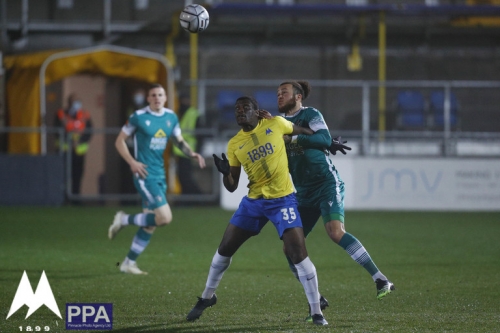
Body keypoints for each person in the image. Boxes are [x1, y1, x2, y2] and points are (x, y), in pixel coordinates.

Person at [186, 96, 328, 326]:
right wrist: (225, 173)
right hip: (254, 202)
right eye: (236, 109)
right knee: (225, 248)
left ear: (257, 111)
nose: (240, 112)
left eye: (245, 108)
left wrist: (326, 142)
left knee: (298, 252)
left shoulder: (276, 124)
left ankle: (316, 311)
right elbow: (232, 186)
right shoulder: (234, 144)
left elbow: (305, 131)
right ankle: (206, 297)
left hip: (283, 199)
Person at [275, 80, 395, 319]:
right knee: (290, 248)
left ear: (298, 97)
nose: (279, 96)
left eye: (284, 93)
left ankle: (380, 279)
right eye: (277, 93)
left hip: (325, 183)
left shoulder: (310, 114)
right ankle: (316, 300)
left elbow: (323, 139)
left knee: (335, 232)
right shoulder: (279, 124)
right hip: (302, 191)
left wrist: (296, 140)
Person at [108, 83, 206, 275]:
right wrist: (132, 162)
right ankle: (123, 219)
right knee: (165, 217)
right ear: (148, 98)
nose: (157, 98)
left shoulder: (170, 117)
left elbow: (178, 141)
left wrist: (192, 153)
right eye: (153, 95)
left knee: (151, 223)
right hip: (144, 174)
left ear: (165, 97)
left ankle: (128, 263)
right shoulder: (138, 117)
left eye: (160, 94)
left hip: (160, 173)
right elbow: (119, 141)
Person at [55, 93, 93, 201]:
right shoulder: (61, 114)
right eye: (74, 101)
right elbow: (57, 131)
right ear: (69, 102)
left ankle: (76, 198)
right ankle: (64, 198)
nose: (77, 103)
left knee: (78, 175)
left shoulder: (85, 115)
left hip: (79, 151)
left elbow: (89, 131)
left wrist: (80, 141)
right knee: (64, 176)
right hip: (65, 150)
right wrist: (70, 141)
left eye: (78, 101)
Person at [172, 93, 203, 194]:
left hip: (189, 150)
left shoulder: (193, 114)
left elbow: (201, 135)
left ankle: (196, 197)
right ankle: (188, 197)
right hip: (180, 150)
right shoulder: (179, 113)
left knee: (185, 176)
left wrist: (198, 151)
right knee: (182, 176)